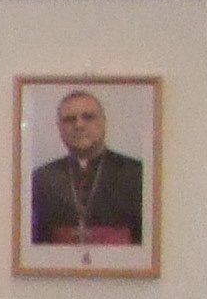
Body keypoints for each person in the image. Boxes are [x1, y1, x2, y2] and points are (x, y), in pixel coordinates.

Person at [27, 88, 144, 245]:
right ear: (59, 128)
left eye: (88, 117)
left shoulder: (136, 173)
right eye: (69, 119)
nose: (79, 125)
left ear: (103, 123)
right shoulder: (41, 178)